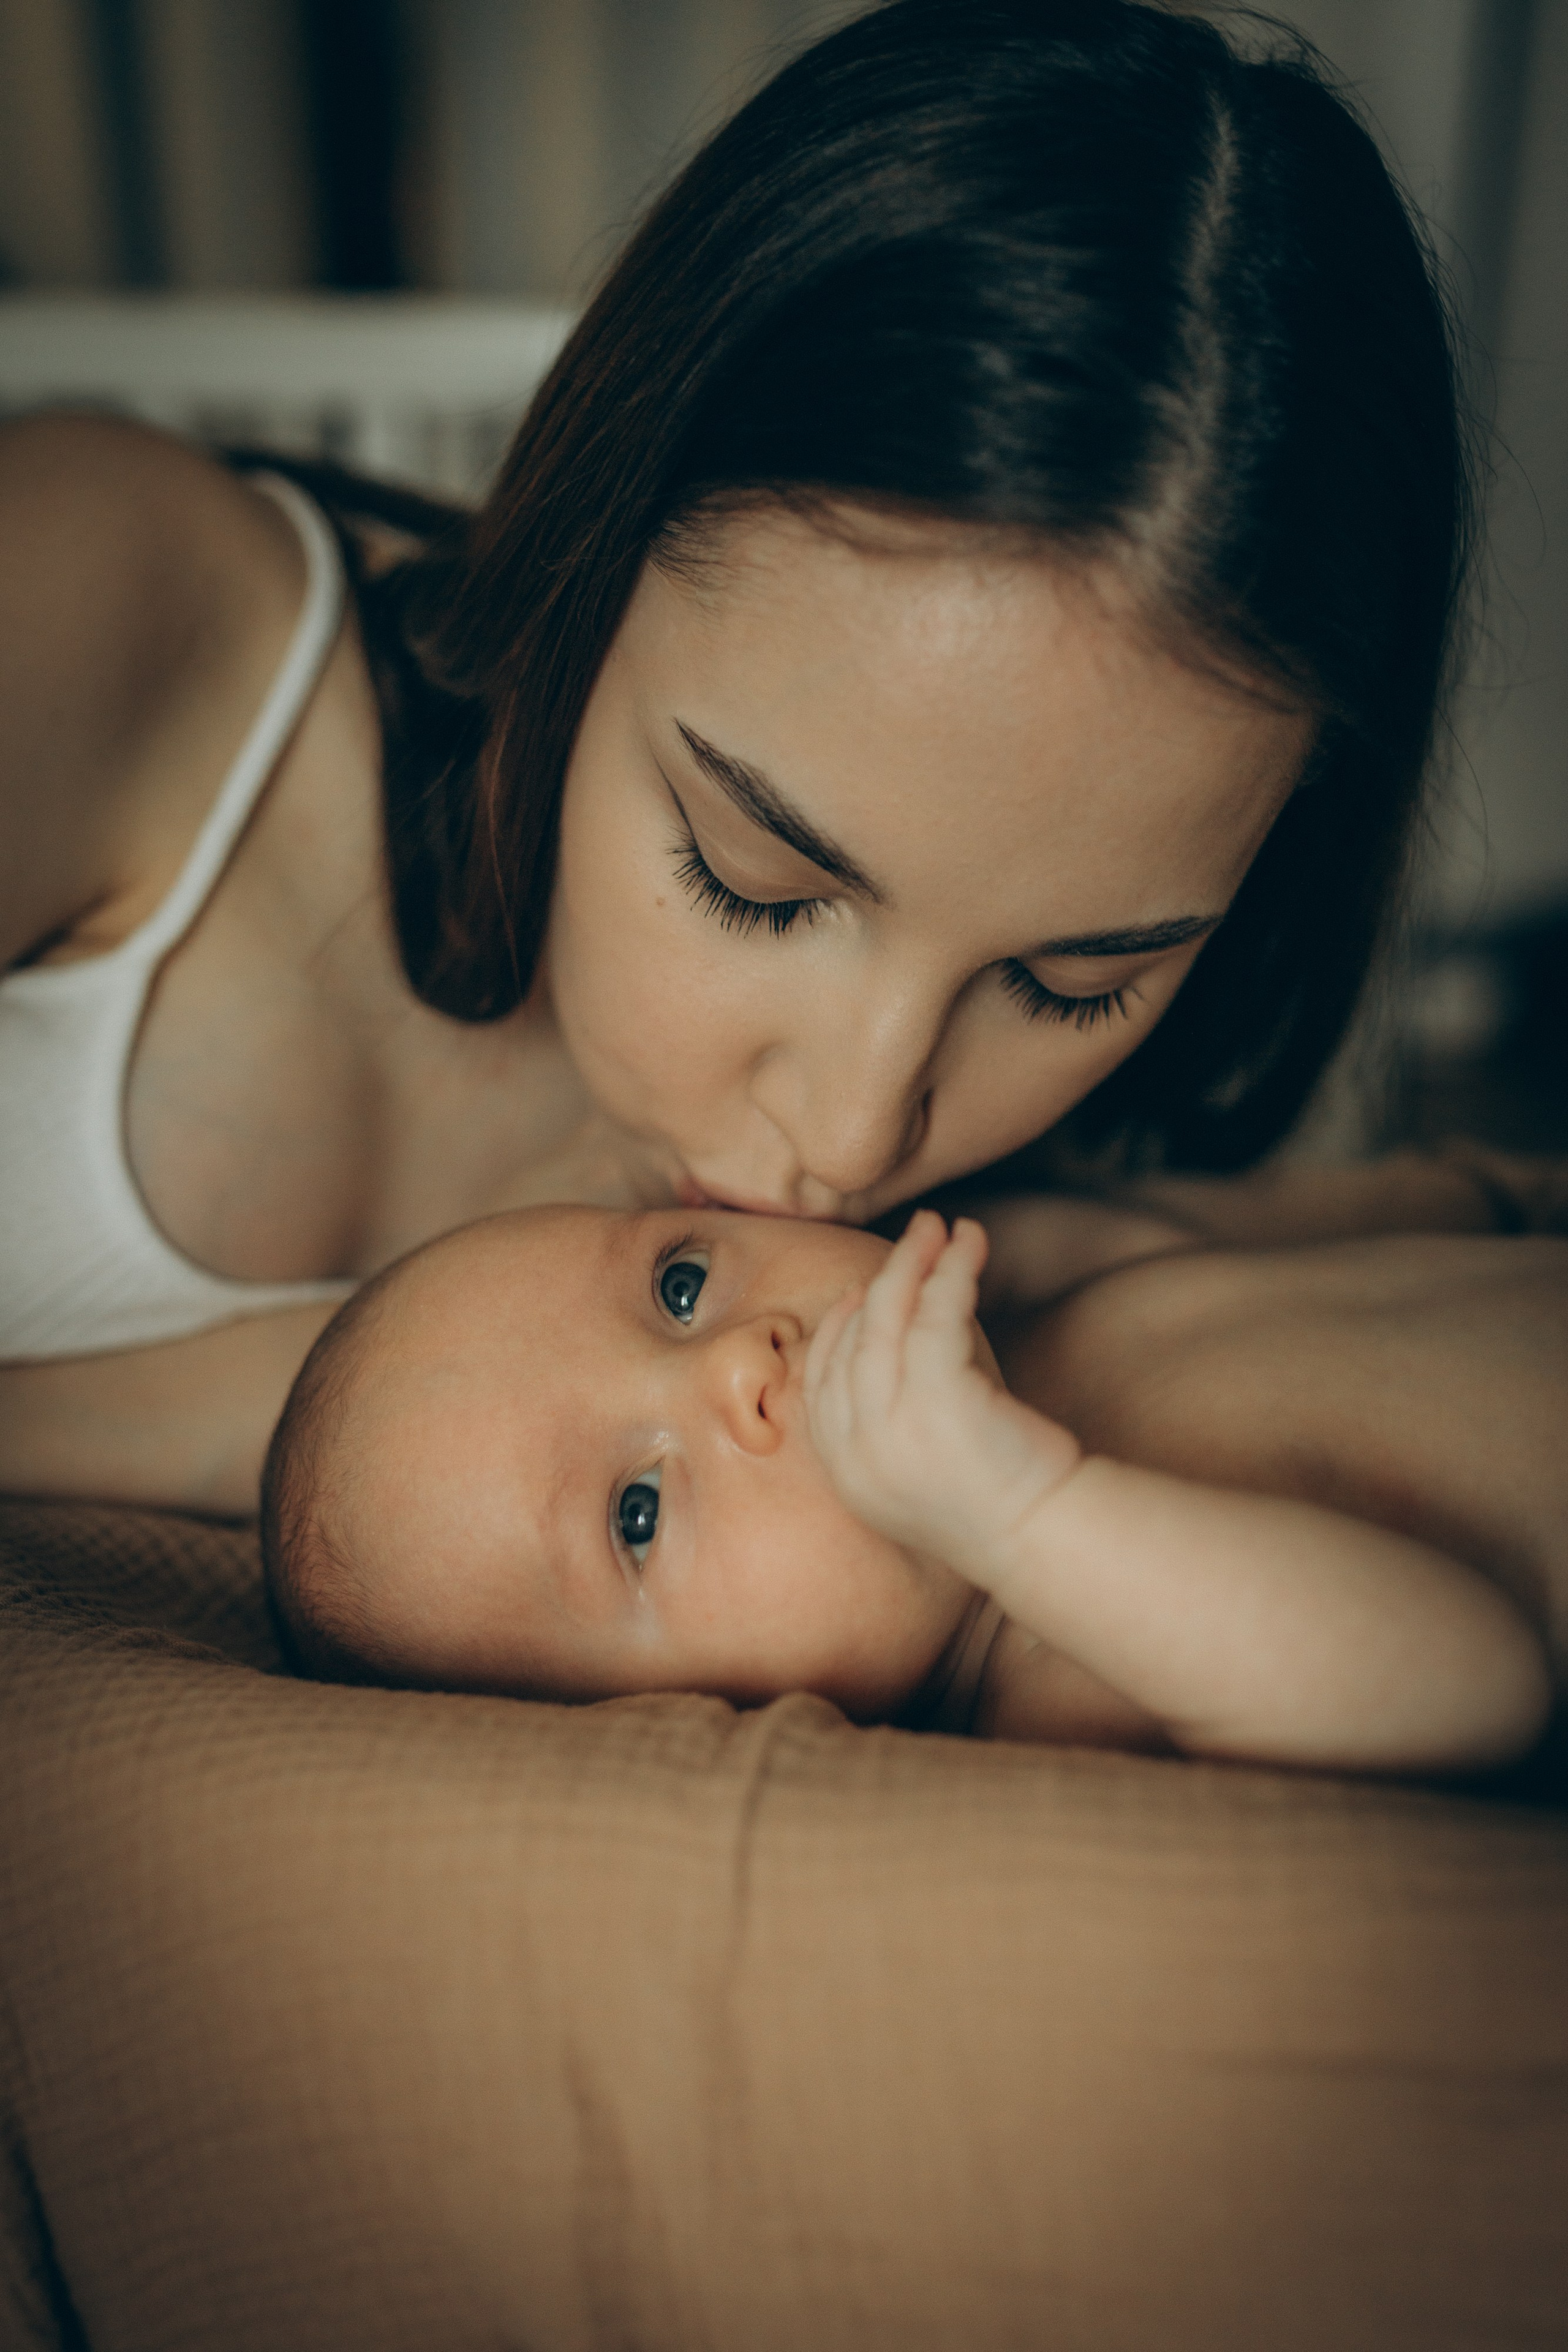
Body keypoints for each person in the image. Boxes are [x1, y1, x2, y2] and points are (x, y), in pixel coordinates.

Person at [0, 0, 1504, 1518]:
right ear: (601, 547)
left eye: (1071, 987)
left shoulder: (1023, 1231)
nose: (855, 1138)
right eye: (754, 884)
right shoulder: (117, 602)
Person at [261, 1193, 1565, 1779]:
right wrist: (1019, 1516)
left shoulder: (1002, 1292)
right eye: (636, 1514)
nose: (738, 1362)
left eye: (677, 1287)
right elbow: (1480, 1681)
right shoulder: (1066, 1673)